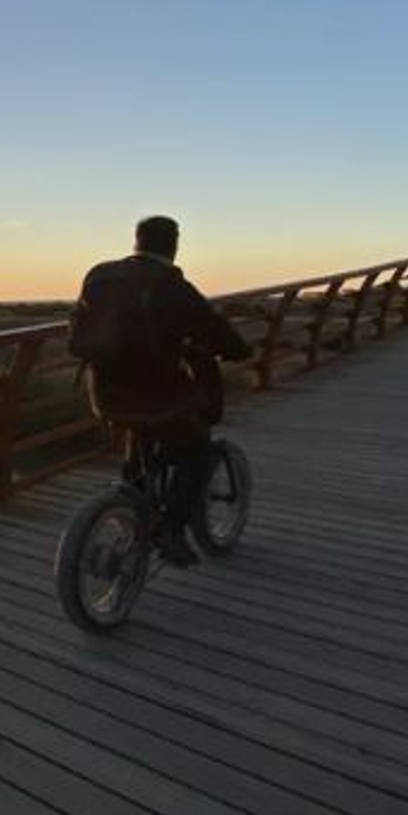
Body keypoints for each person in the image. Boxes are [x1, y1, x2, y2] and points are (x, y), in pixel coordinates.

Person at [69, 215, 252, 566]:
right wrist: (238, 349)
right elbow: (215, 331)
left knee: (141, 434)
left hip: (105, 393)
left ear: (136, 241)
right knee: (196, 448)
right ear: (175, 244)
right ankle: (170, 530)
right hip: (158, 397)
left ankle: (132, 501)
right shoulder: (172, 286)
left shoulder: (100, 275)